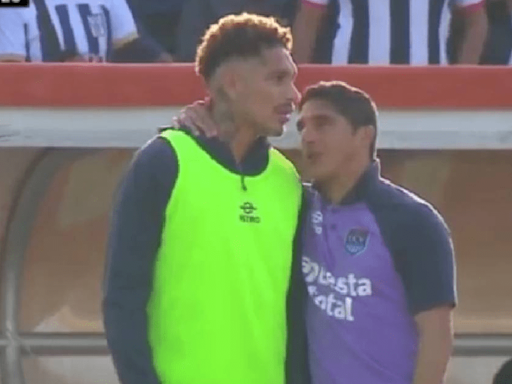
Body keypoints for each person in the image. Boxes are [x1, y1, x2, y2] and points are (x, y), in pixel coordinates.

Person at [177, 80, 457, 384]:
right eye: (302, 128)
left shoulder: (412, 220)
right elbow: (235, 177)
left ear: (364, 135)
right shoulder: (295, 206)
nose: (308, 138)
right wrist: (202, 125)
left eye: (323, 124)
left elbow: (436, 334)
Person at [103, 13, 309, 384]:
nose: (293, 96)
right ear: (231, 84)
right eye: (278, 79)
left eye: (292, 80)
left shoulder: (289, 181)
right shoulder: (163, 162)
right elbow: (123, 300)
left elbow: (297, 311)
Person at [291, 0, 488, 65]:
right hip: (350, 81)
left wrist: (461, 80)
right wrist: (297, 80)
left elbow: (476, 21)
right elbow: (309, 18)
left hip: (430, 84)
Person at [0, 0, 171, 62]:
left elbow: (134, 48)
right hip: (40, 110)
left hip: (99, 101)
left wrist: (175, 71)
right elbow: (9, 72)